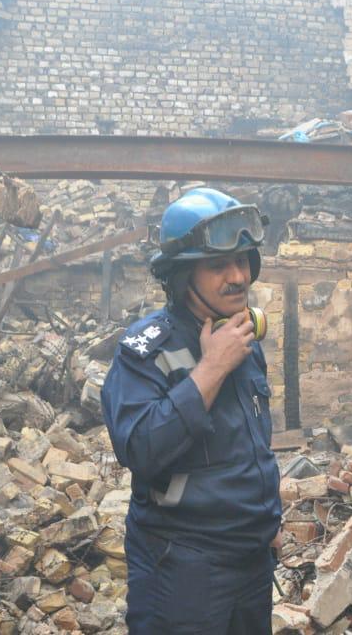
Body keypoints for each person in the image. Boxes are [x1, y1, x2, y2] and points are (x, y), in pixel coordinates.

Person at [102, 188, 281, 635]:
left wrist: (267, 522)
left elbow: (252, 445)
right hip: (183, 569)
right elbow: (139, 449)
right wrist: (211, 369)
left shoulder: (243, 339)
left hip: (251, 560)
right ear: (184, 276)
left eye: (242, 261)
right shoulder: (146, 350)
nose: (237, 277)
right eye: (218, 265)